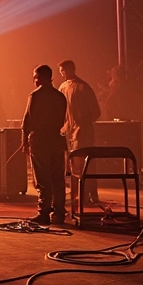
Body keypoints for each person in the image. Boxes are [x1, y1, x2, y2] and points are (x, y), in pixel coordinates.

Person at [22, 65, 68, 225]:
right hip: (56, 139)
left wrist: (24, 141)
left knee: (42, 178)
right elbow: (62, 119)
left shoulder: (35, 95)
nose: (34, 80)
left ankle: (43, 213)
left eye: (35, 77)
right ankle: (59, 213)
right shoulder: (60, 96)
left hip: (40, 140)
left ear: (40, 77)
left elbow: (28, 120)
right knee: (57, 178)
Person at [58, 60, 102, 205]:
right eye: (61, 71)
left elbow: (96, 112)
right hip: (69, 133)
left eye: (64, 71)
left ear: (72, 69)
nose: (62, 74)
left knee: (85, 164)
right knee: (72, 165)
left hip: (81, 133)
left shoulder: (83, 87)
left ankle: (89, 195)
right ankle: (76, 194)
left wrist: (82, 125)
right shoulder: (63, 87)